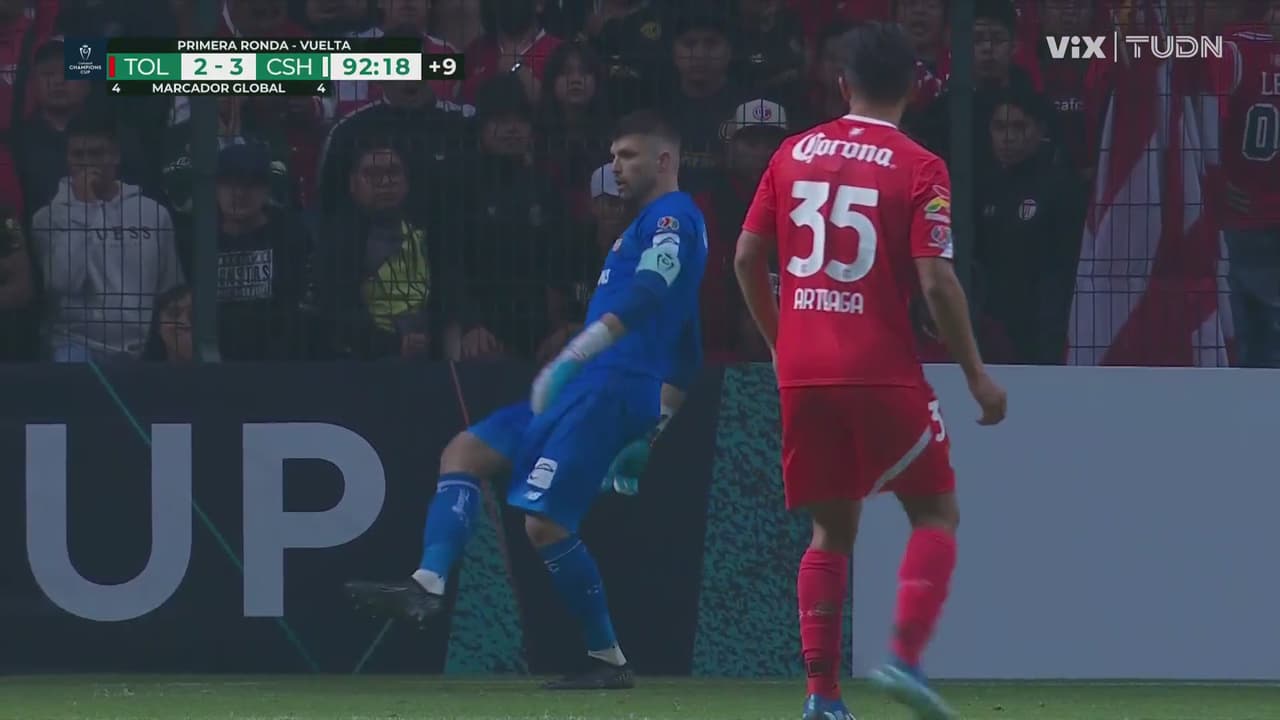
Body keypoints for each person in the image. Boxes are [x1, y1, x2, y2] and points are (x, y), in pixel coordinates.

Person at [345, 110, 707, 690]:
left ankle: (609, 660)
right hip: (588, 389)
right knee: (464, 452)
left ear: (664, 160)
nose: (615, 167)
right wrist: (656, 424)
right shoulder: (645, 225)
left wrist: (581, 348)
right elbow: (688, 344)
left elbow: (652, 287)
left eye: (628, 156)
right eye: (613, 155)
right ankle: (427, 585)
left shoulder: (673, 217)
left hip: (607, 390)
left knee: (544, 523)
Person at [733, 22, 1007, 720]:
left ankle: (821, 698)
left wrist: (780, 341)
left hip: (803, 371)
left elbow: (745, 258)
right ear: (913, 87)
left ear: (842, 83)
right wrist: (976, 375)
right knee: (935, 511)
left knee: (831, 532)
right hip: (878, 367)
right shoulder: (920, 165)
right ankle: (905, 659)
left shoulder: (792, 152)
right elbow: (937, 281)